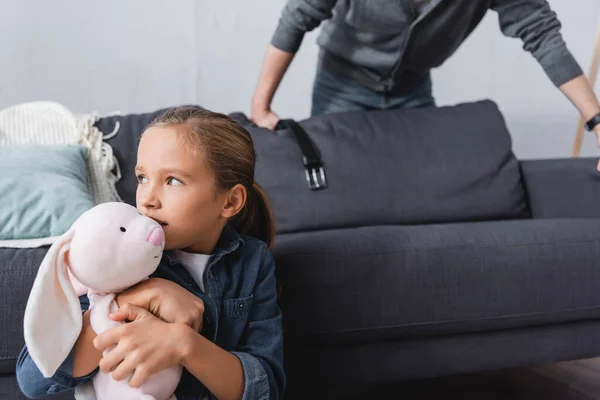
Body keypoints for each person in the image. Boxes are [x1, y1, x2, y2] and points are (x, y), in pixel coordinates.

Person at [16, 107, 285, 400]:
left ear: (230, 201)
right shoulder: (120, 255)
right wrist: (133, 299)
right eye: (142, 178)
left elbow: (265, 389)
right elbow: (33, 378)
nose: (147, 199)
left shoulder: (253, 262)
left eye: (173, 180)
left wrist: (185, 344)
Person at [250, 0, 600, 149]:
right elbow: (297, 17)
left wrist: (596, 119)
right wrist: (261, 107)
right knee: (339, 180)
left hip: (413, 87)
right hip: (341, 83)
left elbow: (542, 35)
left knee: (413, 182)